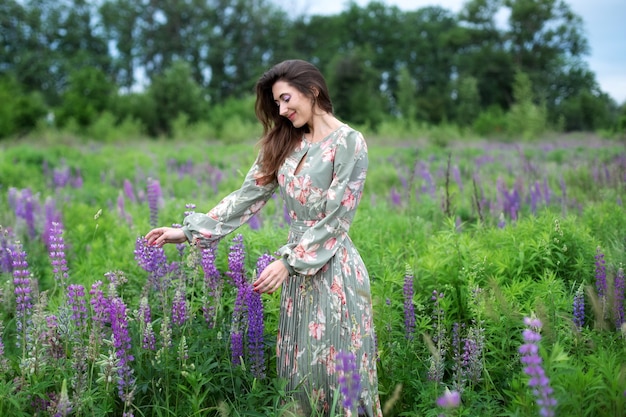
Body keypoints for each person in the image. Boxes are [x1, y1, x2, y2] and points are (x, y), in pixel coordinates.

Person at [145, 59, 382, 416]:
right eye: (277, 104)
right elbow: (246, 196)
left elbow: (337, 218)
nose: (282, 110)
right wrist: (188, 231)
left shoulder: (350, 142)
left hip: (334, 272)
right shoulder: (285, 142)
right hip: (295, 275)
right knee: (298, 374)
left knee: (337, 376)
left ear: (313, 90)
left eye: (287, 99)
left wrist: (288, 262)